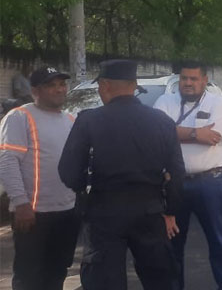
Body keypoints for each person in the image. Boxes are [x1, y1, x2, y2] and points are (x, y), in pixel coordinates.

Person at [58, 59, 185, 290]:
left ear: (105, 85)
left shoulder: (89, 120)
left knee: (105, 281)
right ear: (134, 85)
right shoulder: (162, 122)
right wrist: (170, 211)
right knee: (160, 279)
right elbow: (177, 173)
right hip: (150, 212)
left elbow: (67, 172)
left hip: (104, 214)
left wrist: (86, 188)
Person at [153, 61, 222, 290]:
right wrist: (196, 133)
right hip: (173, 184)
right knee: (172, 244)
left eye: (193, 79)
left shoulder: (219, 103)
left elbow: (215, 136)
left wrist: (176, 133)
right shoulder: (164, 101)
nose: (188, 83)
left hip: (209, 182)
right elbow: (158, 135)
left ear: (204, 80)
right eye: (184, 79)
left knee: (220, 241)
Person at [0, 66, 80, 290]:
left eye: (62, 84)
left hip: (67, 212)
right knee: (29, 276)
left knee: (56, 272)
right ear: (35, 90)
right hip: (33, 214)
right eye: (51, 85)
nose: (59, 89)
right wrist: (21, 203)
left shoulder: (71, 120)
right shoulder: (20, 117)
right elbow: (7, 161)